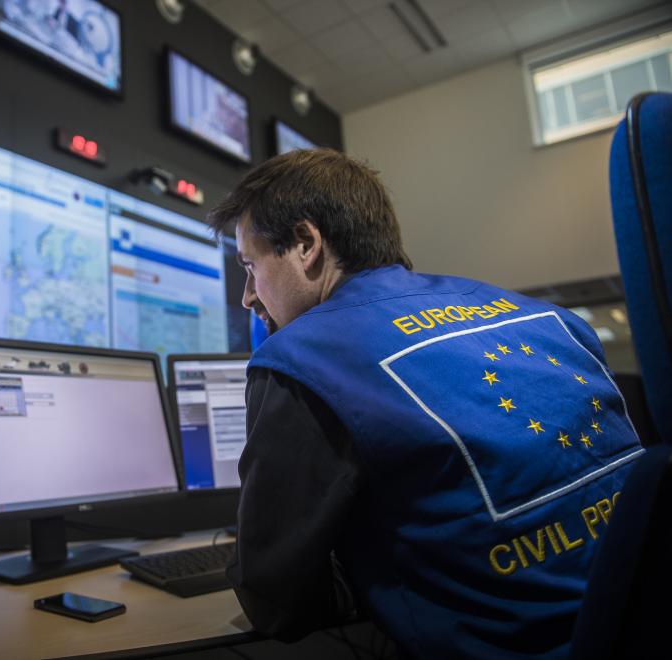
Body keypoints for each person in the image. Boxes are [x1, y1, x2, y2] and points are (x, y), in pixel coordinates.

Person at [208, 148, 643, 659]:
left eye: (249, 266)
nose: (248, 297)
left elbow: (274, 600)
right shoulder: (548, 317)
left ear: (306, 244)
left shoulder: (302, 358)